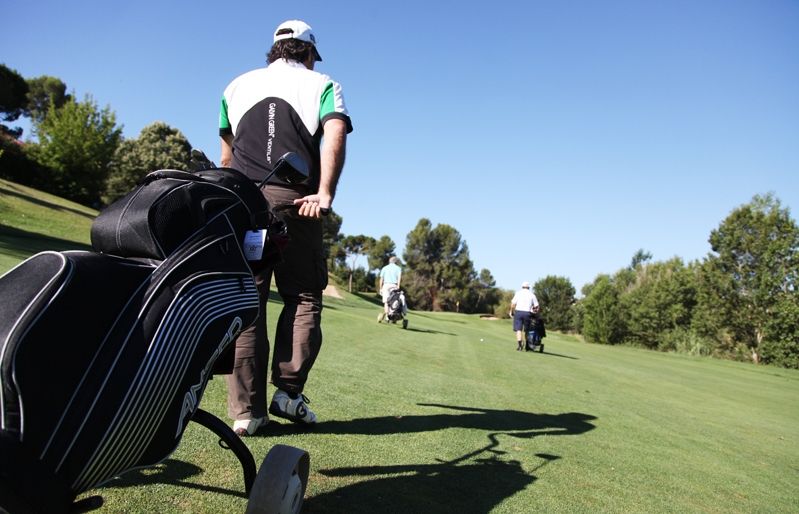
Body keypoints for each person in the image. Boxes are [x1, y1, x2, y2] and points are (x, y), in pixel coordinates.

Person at [219, 19, 353, 436]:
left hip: (242, 203)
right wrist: (326, 192)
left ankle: (246, 413)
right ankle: (288, 393)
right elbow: (334, 134)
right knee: (304, 295)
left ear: (274, 50)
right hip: (297, 205)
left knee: (246, 301)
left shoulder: (235, 85)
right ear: (309, 53)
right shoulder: (324, 83)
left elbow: (226, 159)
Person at [509, 282, 539, 351]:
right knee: (527, 330)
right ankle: (527, 346)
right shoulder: (532, 295)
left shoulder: (518, 293)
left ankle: (520, 346)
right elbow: (536, 306)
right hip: (527, 313)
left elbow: (513, 304)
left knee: (518, 330)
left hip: (518, 312)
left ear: (522, 287)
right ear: (529, 287)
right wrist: (535, 313)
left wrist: (511, 311)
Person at [377, 256, 402, 322]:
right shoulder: (398, 268)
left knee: (386, 302)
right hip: (394, 285)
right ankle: (391, 315)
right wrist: (398, 286)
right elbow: (399, 278)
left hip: (386, 285)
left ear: (389, 261)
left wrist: (380, 288)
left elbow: (381, 279)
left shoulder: (384, 268)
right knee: (393, 301)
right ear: (396, 262)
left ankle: (388, 317)